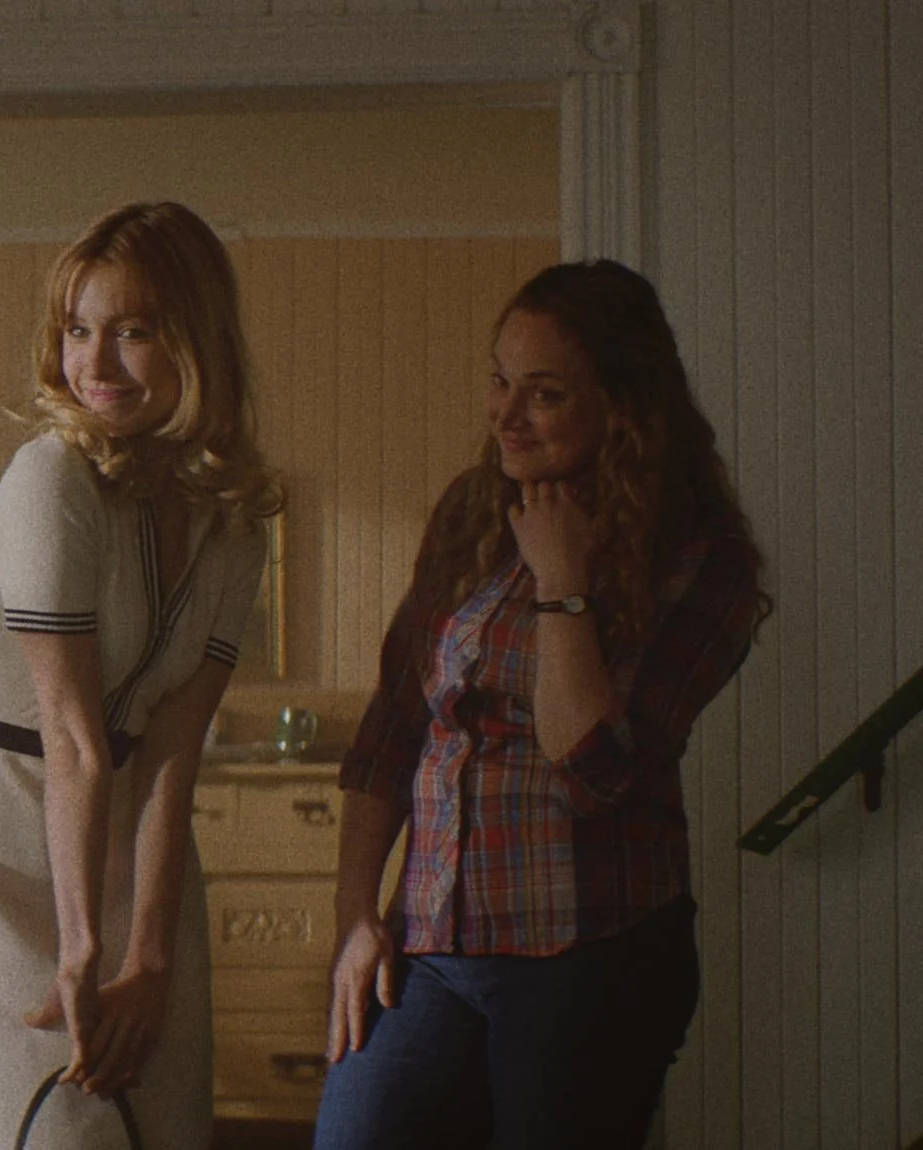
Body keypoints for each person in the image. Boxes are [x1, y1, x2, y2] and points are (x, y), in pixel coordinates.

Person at [315, 260, 769, 1150]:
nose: (505, 413)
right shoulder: (471, 511)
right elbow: (391, 730)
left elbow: (596, 769)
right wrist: (356, 916)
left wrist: (563, 583)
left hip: (590, 952)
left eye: (545, 393)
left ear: (624, 404)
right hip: (434, 939)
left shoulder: (701, 558)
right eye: (500, 379)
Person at [0, 202, 281, 1149]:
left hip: (130, 842)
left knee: (153, 1114)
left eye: (132, 332)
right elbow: (72, 736)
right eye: (78, 330)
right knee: (43, 1126)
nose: (94, 365)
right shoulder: (50, 479)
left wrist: (148, 953)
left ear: (194, 341)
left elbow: (172, 748)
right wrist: (80, 949)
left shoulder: (234, 522)